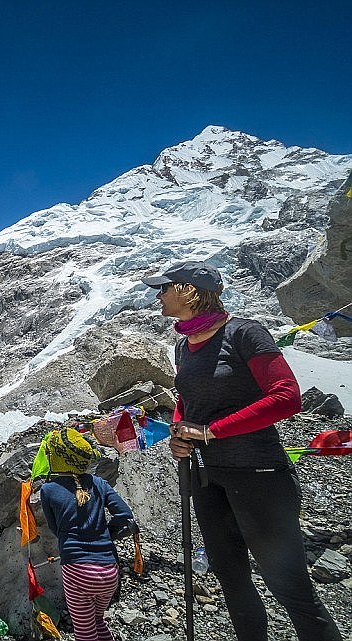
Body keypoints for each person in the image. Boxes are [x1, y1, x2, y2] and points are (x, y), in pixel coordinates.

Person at [142, 260, 341, 641]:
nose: (158, 295)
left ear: (189, 291)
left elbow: (286, 397)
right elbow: (188, 398)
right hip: (206, 475)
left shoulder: (244, 333)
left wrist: (210, 432)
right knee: (231, 578)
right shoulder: (184, 345)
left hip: (258, 472)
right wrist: (180, 431)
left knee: (290, 587)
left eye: (165, 288)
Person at [39, 428, 134, 641]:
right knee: (99, 621)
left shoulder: (48, 489)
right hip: (109, 572)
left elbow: (56, 530)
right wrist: (107, 533)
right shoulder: (99, 483)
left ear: (58, 458)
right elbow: (125, 515)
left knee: (84, 633)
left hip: (77, 570)